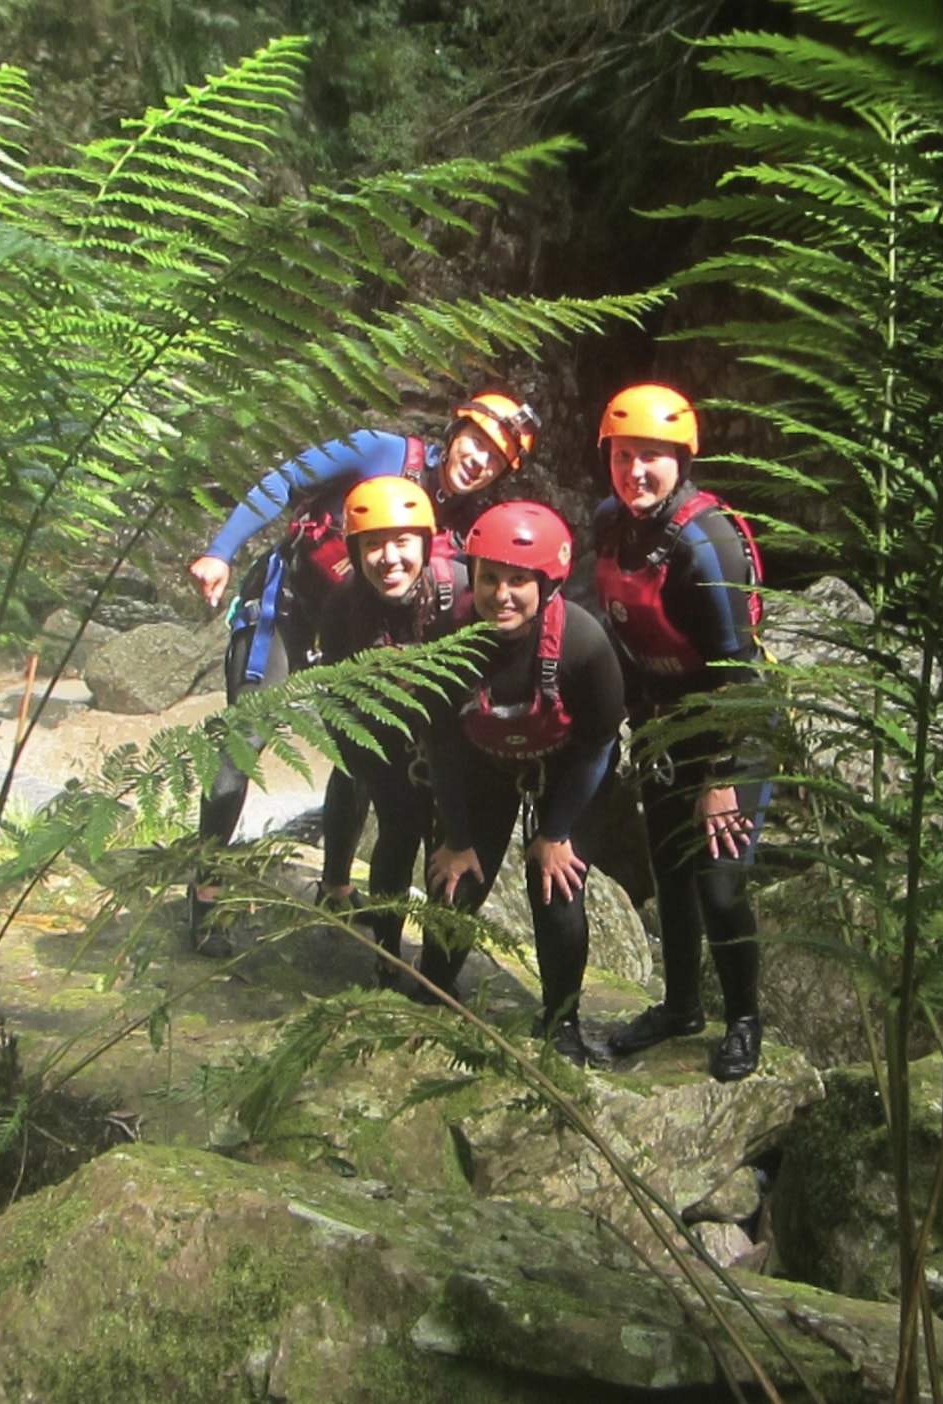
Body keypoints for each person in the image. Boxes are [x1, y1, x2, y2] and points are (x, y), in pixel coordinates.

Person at [185, 393, 539, 956]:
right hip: (290, 609)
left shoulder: (469, 525)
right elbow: (285, 481)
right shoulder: (379, 450)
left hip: (358, 632)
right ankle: (205, 887)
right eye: (476, 442)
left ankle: (336, 886)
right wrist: (221, 552)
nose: (479, 460)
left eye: (495, 459)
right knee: (245, 738)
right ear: (456, 430)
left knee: (360, 751)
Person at [594, 382, 771, 1081]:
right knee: (669, 872)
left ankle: (745, 1022)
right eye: (623, 455)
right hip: (665, 726)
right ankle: (679, 1007)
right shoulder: (611, 522)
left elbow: (742, 674)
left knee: (718, 883)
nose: (636, 471)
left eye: (653, 458)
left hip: (735, 727)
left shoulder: (707, 544)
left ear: (682, 460)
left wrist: (721, 778)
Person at [421, 501, 625, 1066]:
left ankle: (562, 1021)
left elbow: (599, 745)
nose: (501, 594)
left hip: (569, 773)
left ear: (546, 585)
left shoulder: (585, 646)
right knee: (453, 879)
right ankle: (434, 991)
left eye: (518, 581)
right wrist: (457, 837)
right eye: (489, 578)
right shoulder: (447, 636)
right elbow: (439, 740)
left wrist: (556, 831)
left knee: (555, 887)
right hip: (483, 766)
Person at [317, 476, 471, 986]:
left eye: (402, 543)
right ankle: (388, 955)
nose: (389, 558)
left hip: (455, 739)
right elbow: (337, 698)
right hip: (386, 743)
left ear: (425, 544)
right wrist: (369, 764)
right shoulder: (344, 605)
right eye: (373, 545)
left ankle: (439, 974)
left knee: (450, 847)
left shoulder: (461, 591)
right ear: (356, 551)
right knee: (398, 837)